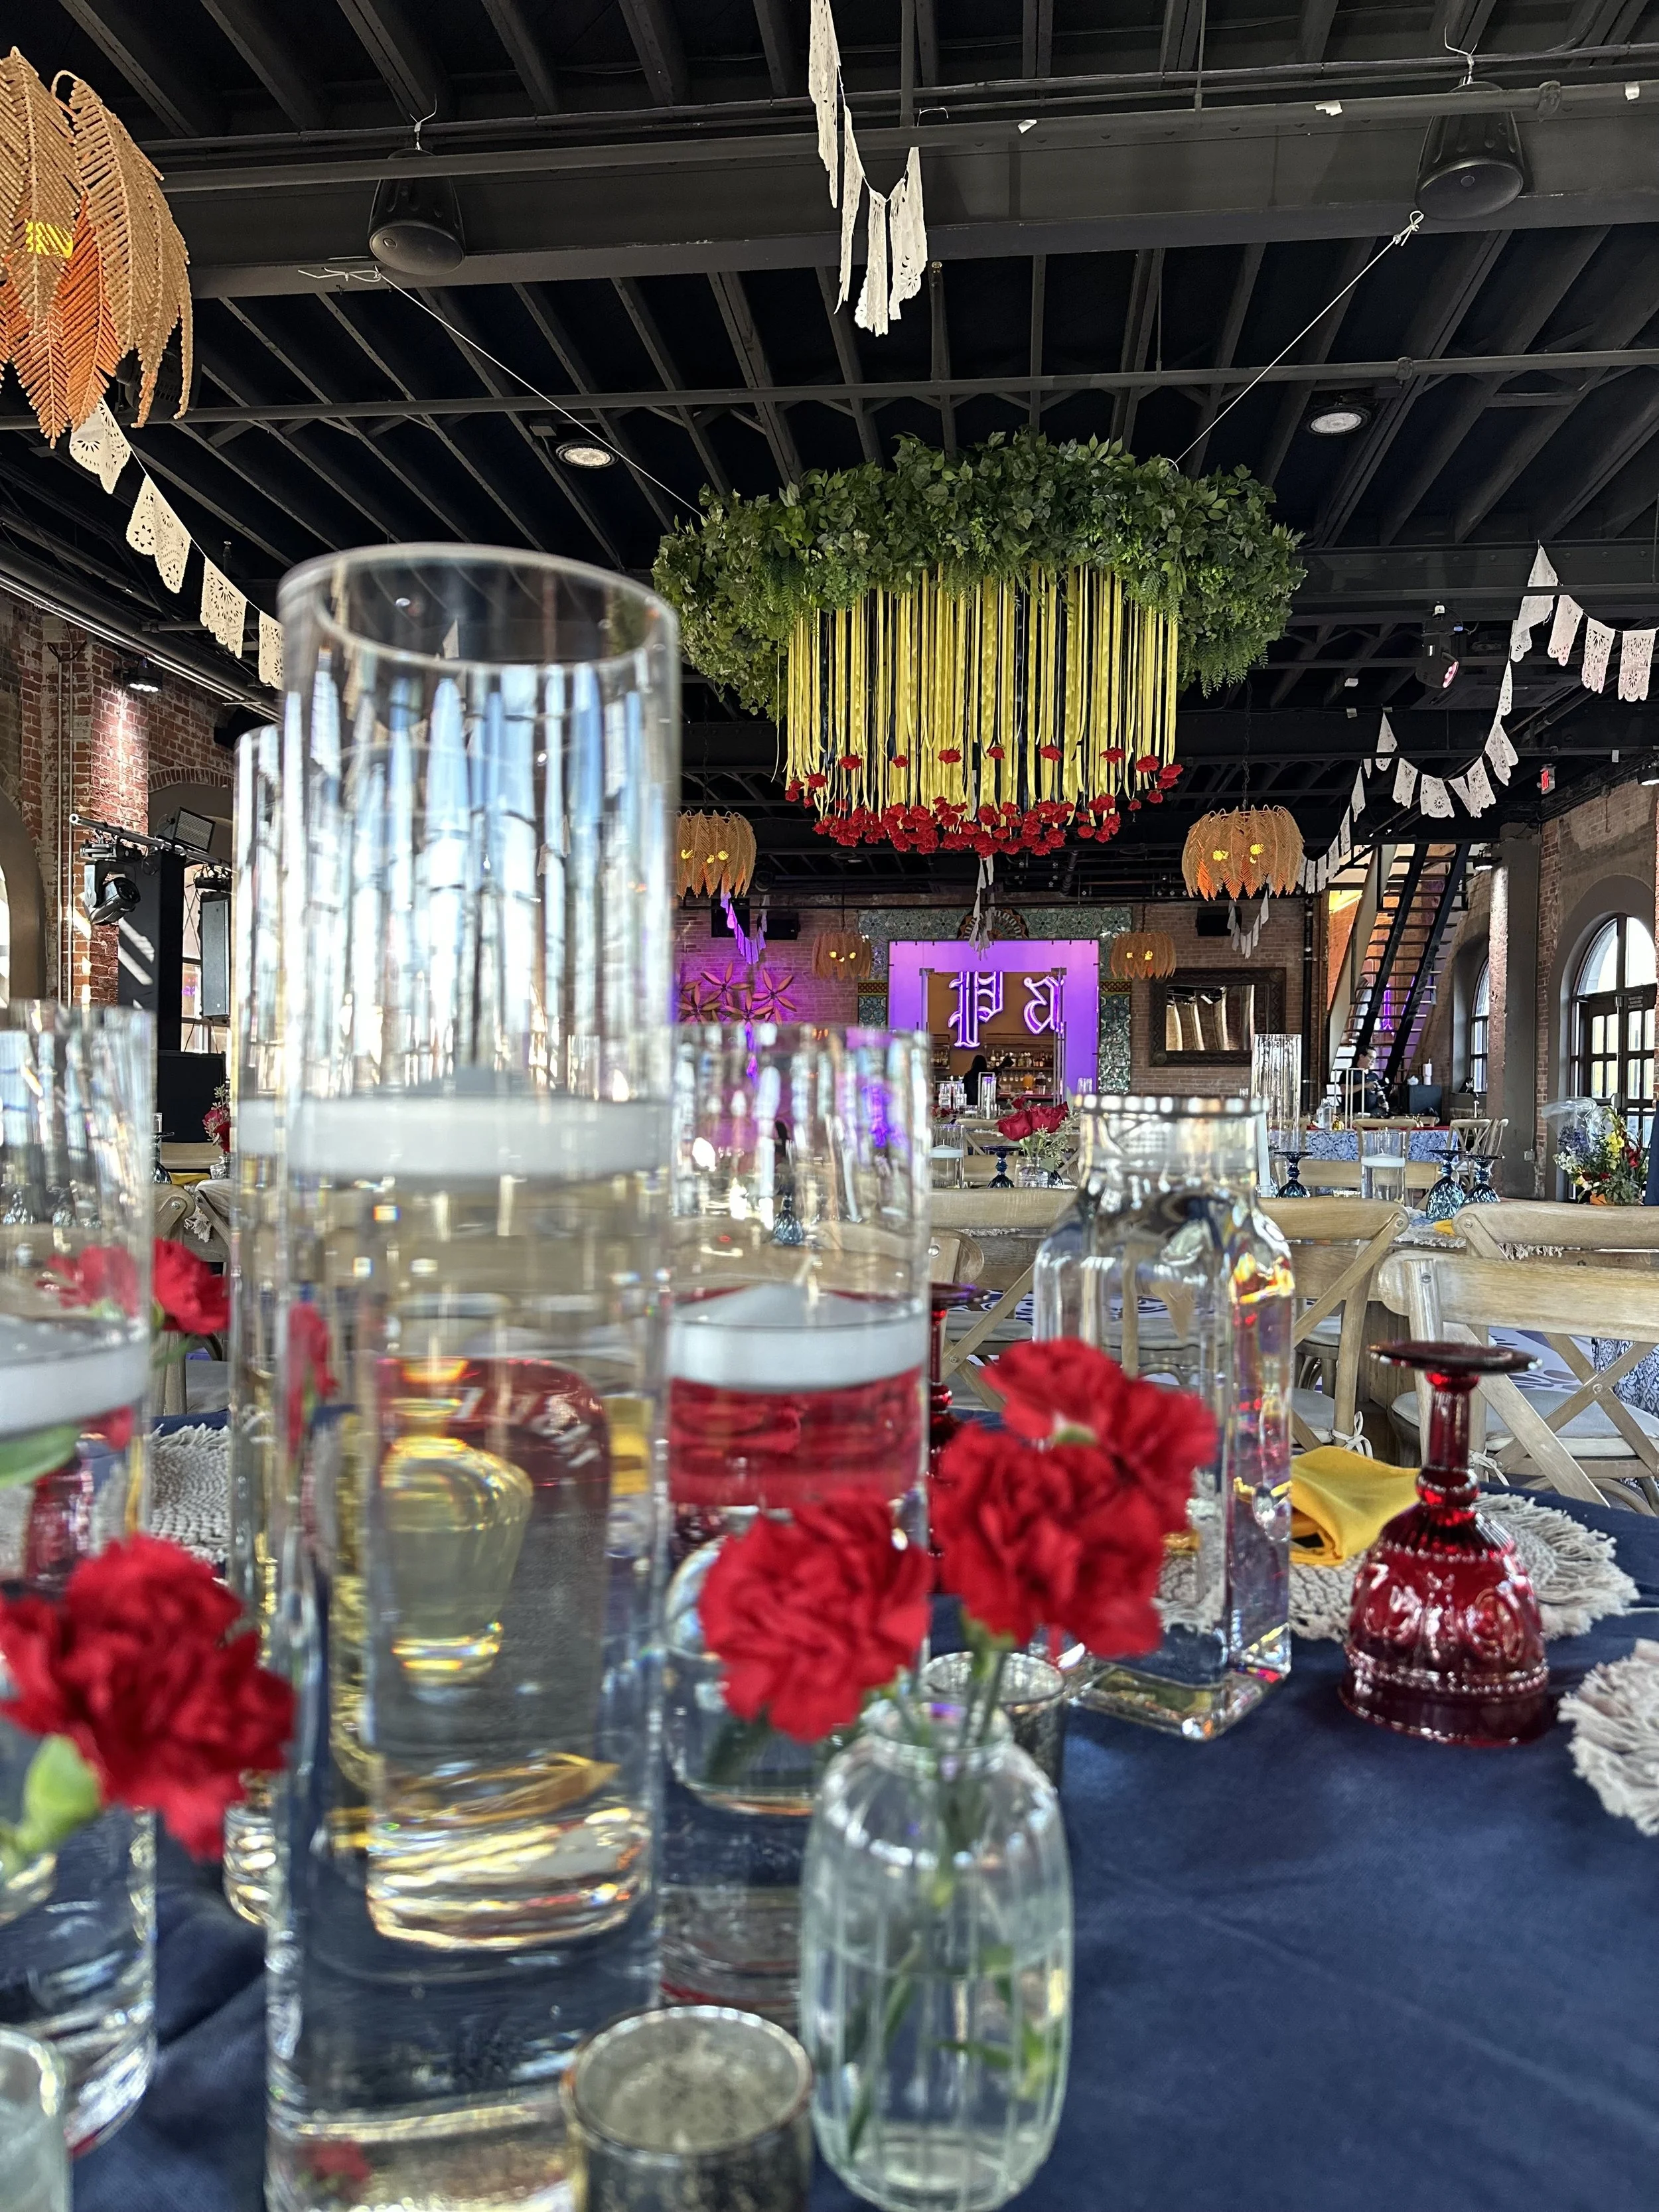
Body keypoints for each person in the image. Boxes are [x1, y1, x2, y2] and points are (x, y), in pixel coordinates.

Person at [1349, 1049, 1393, 1119]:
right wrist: (1365, 1085)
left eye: (1374, 1059)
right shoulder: (1350, 1073)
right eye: (1371, 1057)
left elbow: (1379, 1093)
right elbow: (1345, 1091)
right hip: (1355, 1115)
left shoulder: (1374, 1076)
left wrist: (1383, 1103)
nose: (1373, 1061)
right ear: (1361, 1056)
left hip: (1372, 1115)